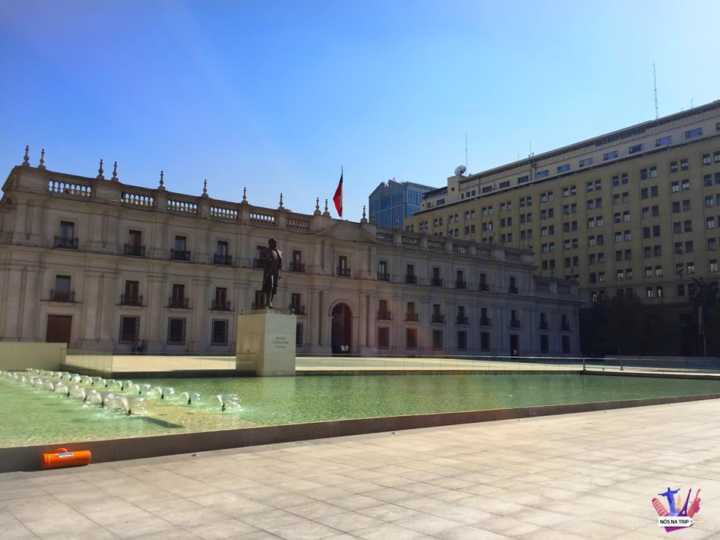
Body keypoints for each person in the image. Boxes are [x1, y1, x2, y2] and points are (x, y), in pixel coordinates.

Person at [260, 238, 282, 308]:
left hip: (275, 272)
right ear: (270, 243)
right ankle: (268, 302)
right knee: (269, 286)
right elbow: (261, 259)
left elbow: (280, 264)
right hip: (269, 271)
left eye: (276, 243)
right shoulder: (265, 251)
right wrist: (267, 260)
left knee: (274, 288)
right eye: (274, 243)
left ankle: (270, 301)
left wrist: (279, 273)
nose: (275, 244)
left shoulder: (279, 252)